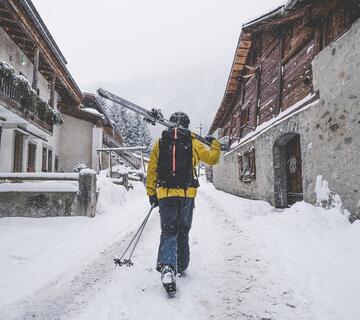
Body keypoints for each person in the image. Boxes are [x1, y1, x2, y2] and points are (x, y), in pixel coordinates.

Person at [146, 111, 221, 297]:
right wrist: (215, 144)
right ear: (187, 125)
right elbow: (213, 159)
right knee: (183, 230)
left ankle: (168, 268)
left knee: (169, 230)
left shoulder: (160, 142)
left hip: (165, 195)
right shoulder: (193, 142)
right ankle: (181, 265)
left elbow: (152, 169)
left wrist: (152, 194)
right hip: (187, 195)